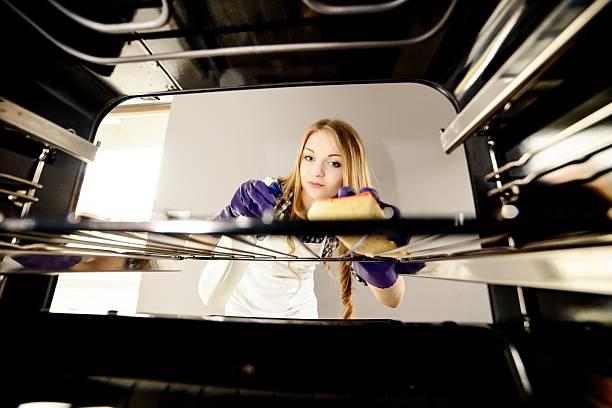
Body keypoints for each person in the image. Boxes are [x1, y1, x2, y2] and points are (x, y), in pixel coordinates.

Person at [202, 118, 424, 319]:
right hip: (243, 310)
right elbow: (194, 243)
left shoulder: (346, 217)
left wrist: (377, 265)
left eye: (334, 163)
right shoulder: (267, 197)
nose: (316, 171)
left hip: (300, 312)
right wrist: (230, 215)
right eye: (309, 157)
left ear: (350, 171)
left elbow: (393, 300)